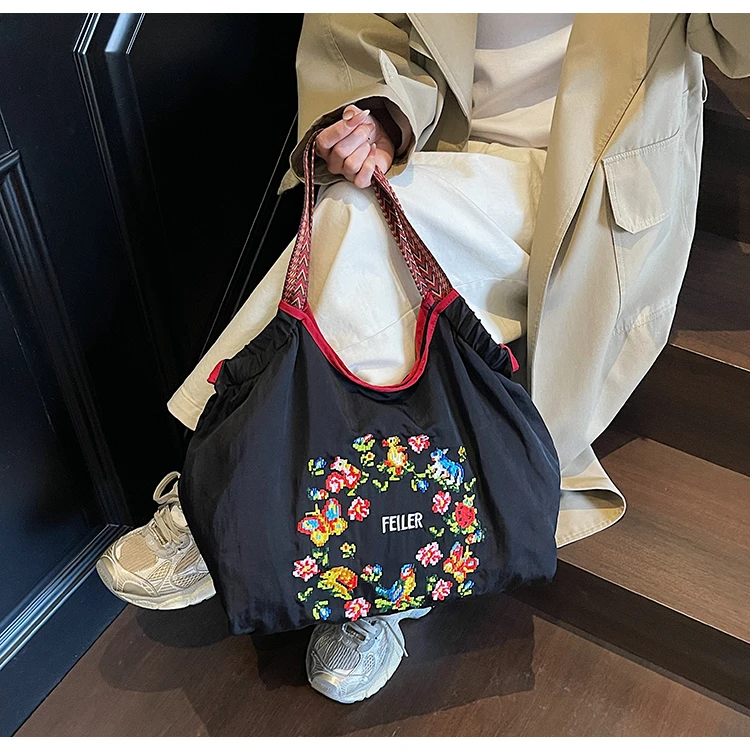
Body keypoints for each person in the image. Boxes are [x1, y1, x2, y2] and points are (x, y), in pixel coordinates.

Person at [96, 13, 750, 704]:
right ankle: (370, 577)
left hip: (590, 181)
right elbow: (364, 31)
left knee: (355, 225)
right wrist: (379, 117)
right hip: (438, 150)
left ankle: (227, 492)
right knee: (357, 217)